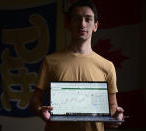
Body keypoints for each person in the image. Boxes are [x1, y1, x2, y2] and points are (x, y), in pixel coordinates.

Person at [30, 0, 125, 130]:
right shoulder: (50, 61)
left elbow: (113, 104)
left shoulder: (107, 66)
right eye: (76, 19)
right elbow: (35, 98)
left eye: (88, 19)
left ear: (95, 26)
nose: (82, 24)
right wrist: (40, 110)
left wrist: (116, 117)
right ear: (68, 24)